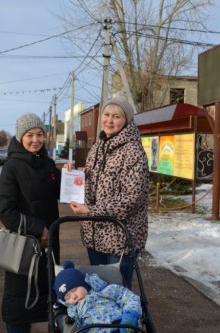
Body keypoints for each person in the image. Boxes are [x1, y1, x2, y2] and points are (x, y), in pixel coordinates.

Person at [67, 96, 149, 289]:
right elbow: (95, 184)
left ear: (126, 120)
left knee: (118, 292)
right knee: (98, 289)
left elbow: (132, 198)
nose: (109, 121)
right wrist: (75, 177)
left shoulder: (132, 151)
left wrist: (90, 211)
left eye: (116, 116)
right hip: (94, 235)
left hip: (119, 237)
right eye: (106, 115)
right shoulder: (97, 147)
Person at [0, 112, 61, 333]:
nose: (36, 140)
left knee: (50, 299)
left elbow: (63, 192)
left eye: (40, 134)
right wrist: (38, 228)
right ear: (20, 137)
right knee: (19, 304)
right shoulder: (12, 167)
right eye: (30, 135)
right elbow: (6, 212)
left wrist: (72, 177)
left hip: (49, 244)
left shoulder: (49, 164)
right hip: (22, 246)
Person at [54, 260, 142, 333]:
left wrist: (130, 314)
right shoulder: (73, 311)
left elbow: (128, 297)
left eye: (74, 289)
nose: (74, 296)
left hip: (120, 324)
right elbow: (72, 326)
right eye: (68, 297)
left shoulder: (105, 291)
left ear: (85, 284)